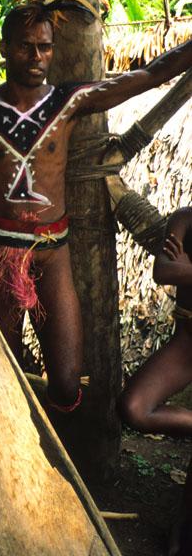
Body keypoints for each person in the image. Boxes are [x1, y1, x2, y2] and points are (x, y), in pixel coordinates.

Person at [0, 0, 192, 422]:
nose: (36, 56)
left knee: (68, 380)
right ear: (4, 48)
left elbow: (149, 74)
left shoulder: (67, 102)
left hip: (53, 255)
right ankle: (8, 446)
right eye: (26, 46)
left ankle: (53, 446)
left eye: (45, 46)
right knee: (4, 370)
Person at [119, 207, 192, 556]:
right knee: (134, 408)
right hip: (187, 344)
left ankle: (181, 531)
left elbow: (179, 270)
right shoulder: (185, 219)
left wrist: (187, 268)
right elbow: (163, 271)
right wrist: (178, 269)